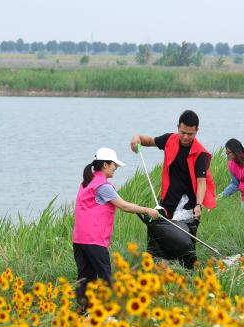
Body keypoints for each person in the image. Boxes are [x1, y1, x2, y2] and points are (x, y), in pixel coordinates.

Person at [73, 147, 161, 312]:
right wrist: (148, 210)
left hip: (79, 239)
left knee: (85, 277)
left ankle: (83, 312)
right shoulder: (103, 186)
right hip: (94, 240)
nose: (116, 168)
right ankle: (110, 311)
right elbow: (124, 206)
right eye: (114, 165)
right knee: (106, 276)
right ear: (105, 165)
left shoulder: (86, 182)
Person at [129, 110, 216, 222]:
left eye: (190, 134)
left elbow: (201, 182)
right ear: (178, 127)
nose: (185, 137)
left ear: (197, 131)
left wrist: (198, 205)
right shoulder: (169, 139)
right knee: (158, 236)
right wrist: (137, 138)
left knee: (183, 238)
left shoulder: (200, 154)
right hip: (167, 201)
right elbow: (150, 141)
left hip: (188, 206)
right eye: (182, 132)